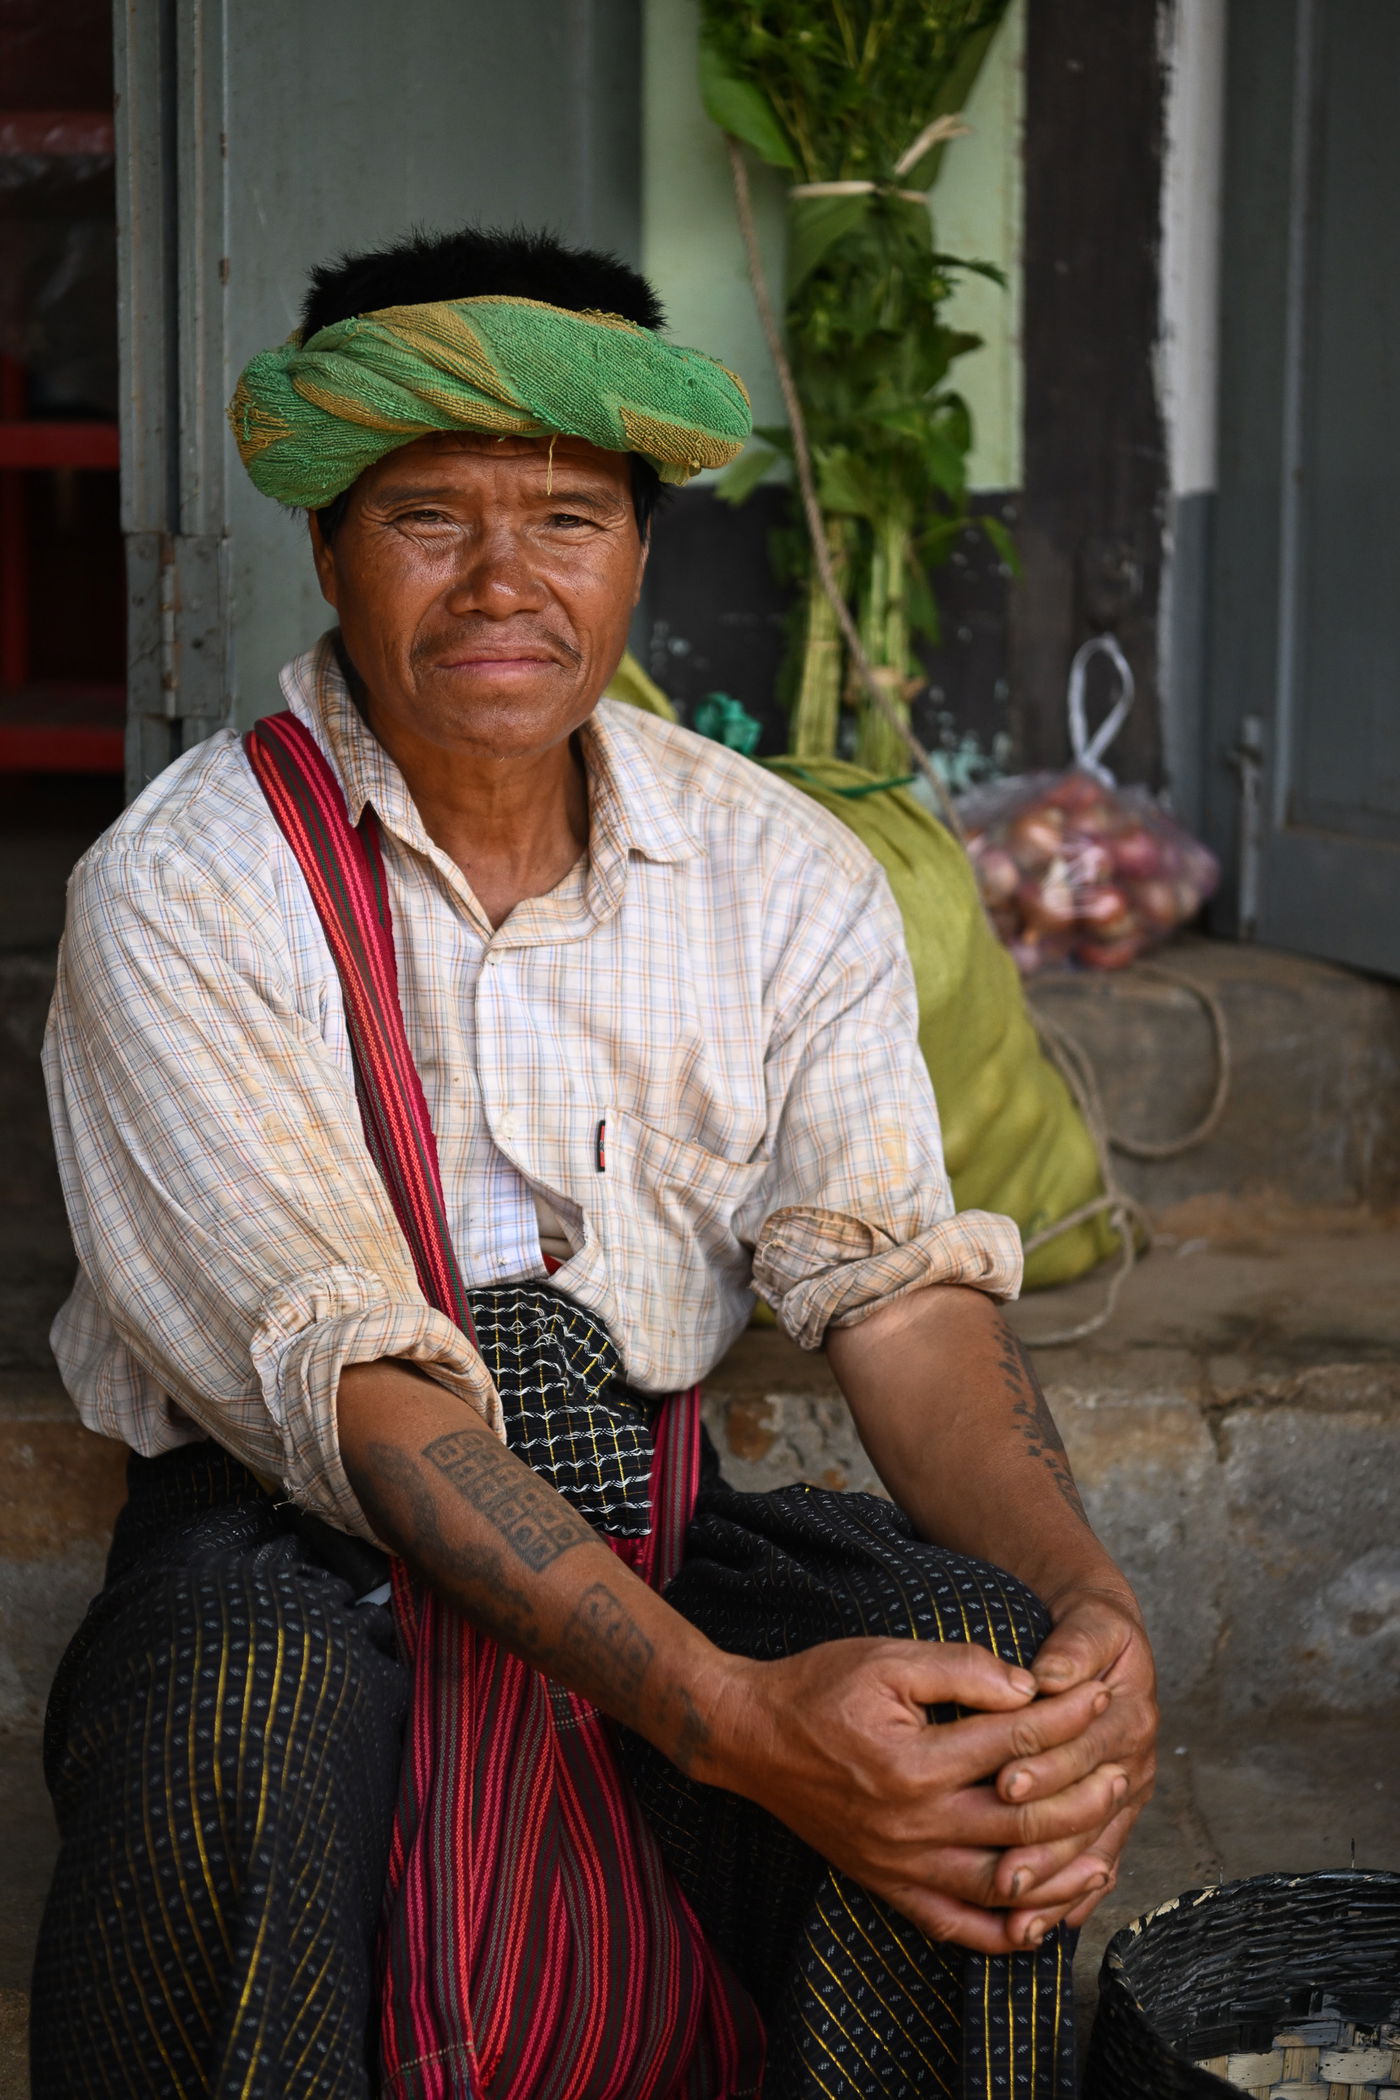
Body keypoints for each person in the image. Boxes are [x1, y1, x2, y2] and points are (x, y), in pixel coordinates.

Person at [32, 225, 1156, 2100]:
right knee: (235, 1720)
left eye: (567, 520)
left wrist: (1090, 1604)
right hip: (302, 1533)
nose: (502, 583)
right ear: (325, 547)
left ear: (641, 550)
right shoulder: (186, 886)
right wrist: (728, 1718)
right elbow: (362, 1390)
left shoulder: (779, 871)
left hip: (657, 1503)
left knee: (980, 1677)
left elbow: (900, 1301)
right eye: (427, 519)